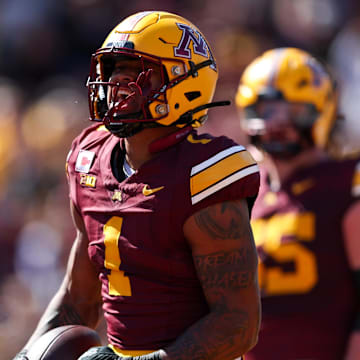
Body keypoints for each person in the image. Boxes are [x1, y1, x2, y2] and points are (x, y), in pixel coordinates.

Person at [13, 11, 261, 360]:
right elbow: (78, 297)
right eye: (114, 70)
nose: (117, 86)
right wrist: (26, 354)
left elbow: (238, 324)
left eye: (137, 74)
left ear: (184, 84)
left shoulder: (204, 174)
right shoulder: (90, 159)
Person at [235, 47, 360, 360]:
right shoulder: (241, 193)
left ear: (322, 110)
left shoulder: (347, 183)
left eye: (293, 110)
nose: (277, 123)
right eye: (265, 109)